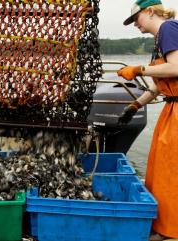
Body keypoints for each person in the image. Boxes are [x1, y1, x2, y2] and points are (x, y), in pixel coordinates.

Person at [117, 0, 178, 239]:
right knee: (160, 168)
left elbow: (176, 68)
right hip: (171, 110)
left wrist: (139, 69)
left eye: (136, 19)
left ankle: (171, 230)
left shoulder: (169, 29)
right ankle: (164, 225)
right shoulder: (160, 38)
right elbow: (157, 86)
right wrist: (134, 105)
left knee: (172, 170)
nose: (135, 25)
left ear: (150, 11)